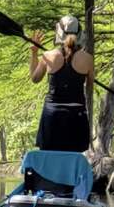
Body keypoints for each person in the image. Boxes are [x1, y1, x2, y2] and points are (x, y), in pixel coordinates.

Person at [29, 15, 94, 152]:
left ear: (59, 32)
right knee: (72, 157)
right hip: (76, 117)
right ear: (80, 33)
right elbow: (89, 88)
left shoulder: (48, 56)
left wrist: (34, 53)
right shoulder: (88, 59)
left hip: (52, 117)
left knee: (50, 157)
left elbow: (35, 79)